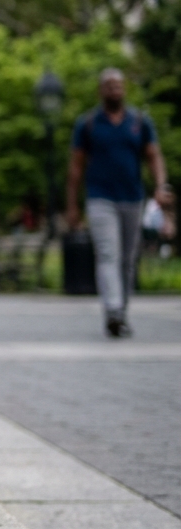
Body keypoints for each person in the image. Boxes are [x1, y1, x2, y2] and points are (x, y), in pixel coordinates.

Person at [66, 68, 171, 338]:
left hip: (132, 197)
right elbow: (76, 167)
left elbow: (153, 157)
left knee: (127, 259)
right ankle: (112, 309)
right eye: (110, 86)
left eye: (119, 86)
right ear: (101, 90)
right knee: (107, 253)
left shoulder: (139, 121)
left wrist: (160, 185)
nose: (115, 90)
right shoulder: (88, 123)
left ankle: (121, 311)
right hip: (100, 197)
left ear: (124, 89)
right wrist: (72, 206)